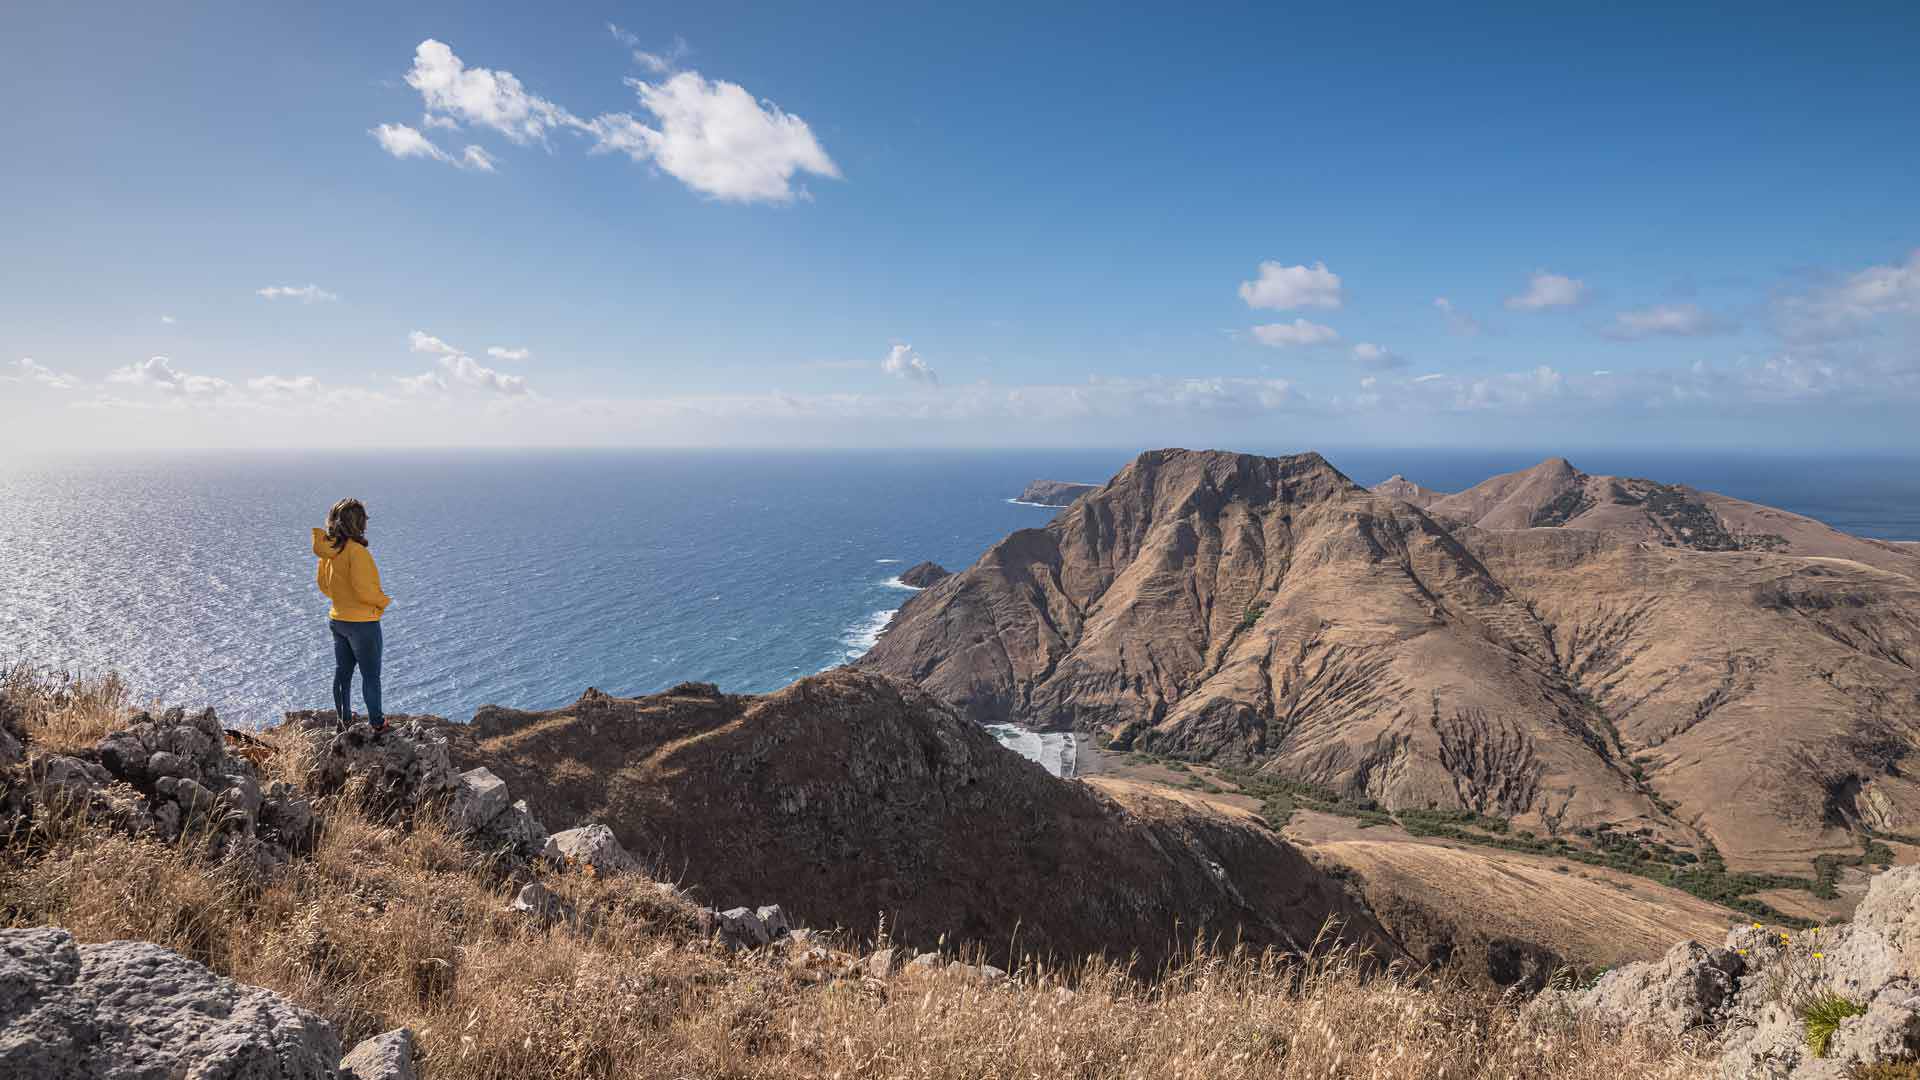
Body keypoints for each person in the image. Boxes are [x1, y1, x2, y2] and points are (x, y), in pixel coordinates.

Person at [311, 498, 393, 733]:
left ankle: (344, 720)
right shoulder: (357, 553)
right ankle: (377, 723)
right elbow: (364, 589)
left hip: (338, 619)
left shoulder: (330, 551)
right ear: (359, 523)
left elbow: (324, 586)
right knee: (370, 676)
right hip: (363, 624)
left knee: (343, 672)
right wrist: (382, 601)